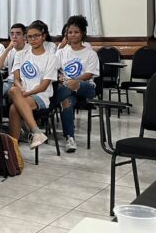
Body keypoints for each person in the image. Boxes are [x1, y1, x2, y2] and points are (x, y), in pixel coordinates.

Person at [53, 15, 100, 153]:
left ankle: (51, 102)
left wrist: (71, 81)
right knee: (66, 102)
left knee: (72, 85)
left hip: (86, 87)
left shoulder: (90, 54)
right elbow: (54, 70)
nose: (72, 35)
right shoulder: (61, 52)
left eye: (76, 32)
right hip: (67, 90)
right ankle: (70, 138)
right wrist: (60, 78)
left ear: (83, 33)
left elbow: (89, 74)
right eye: (70, 32)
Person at [6, 21, 55, 149]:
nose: (32, 39)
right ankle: (35, 132)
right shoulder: (21, 54)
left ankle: (13, 147)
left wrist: (26, 93)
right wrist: (21, 89)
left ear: (43, 36)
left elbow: (44, 86)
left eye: (36, 36)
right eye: (30, 36)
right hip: (22, 92)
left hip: (40, 95)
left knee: (13, 108)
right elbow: (16, 78)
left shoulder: (51, 58)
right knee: (13, 89)